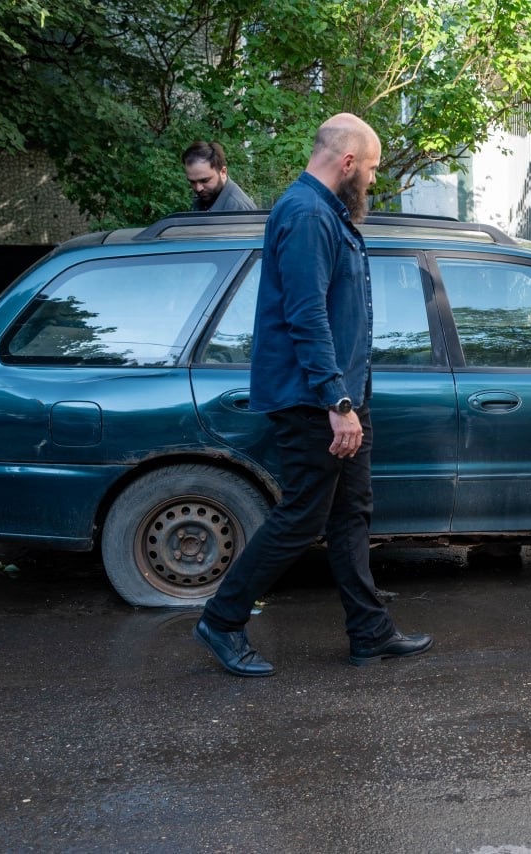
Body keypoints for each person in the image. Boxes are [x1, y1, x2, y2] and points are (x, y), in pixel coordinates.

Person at [193, 113, 432, 675]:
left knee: (350, 514)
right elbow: (306, 317)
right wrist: (337, 403)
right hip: (315, 402)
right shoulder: (306, 214)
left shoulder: (323, 211)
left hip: (339, 396)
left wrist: (348, 399)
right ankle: (222, 619)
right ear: (347, 162)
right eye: (371, 168)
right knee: (302, 516)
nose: (371, 179)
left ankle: (369, 632)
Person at [181, 141, 257, 212]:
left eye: (205, 180)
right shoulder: (205, 199)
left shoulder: (238, 208)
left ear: (223, 172)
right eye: (192, 182)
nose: (198, 188)